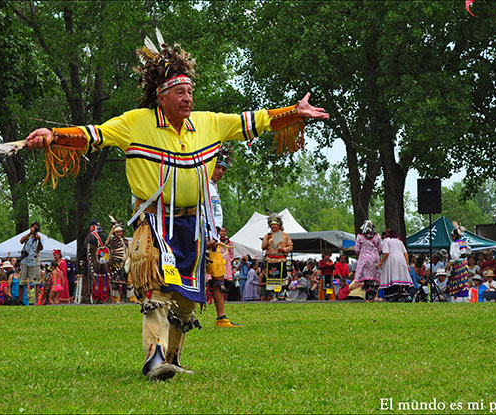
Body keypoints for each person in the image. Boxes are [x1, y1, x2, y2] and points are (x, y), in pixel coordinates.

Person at [23, 36, 328, 380]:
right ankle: (153, 359)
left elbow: (255, 120)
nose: (188, 98)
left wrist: (294, 112)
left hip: (193, 223)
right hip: (154, 222)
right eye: (180, 92)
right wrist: (53, 135)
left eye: (190, 92)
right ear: (162, 96)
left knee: (186, 298)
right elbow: (94, 134)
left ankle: (173, 359)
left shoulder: (208, 123)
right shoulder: (136, 123)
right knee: (157, 289)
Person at [206, 147, 239, 327]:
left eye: (223, 169)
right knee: (195, 278)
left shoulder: (213, 187)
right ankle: (185, 315)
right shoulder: (202, 185)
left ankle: (222, 318)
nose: (220, 171)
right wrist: (206, 236)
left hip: (213, 238)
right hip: (203, 238)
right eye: (217, 167)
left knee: (218, 277)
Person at [261, 212, 294, 301]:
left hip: (280, 259)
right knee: (273, 278)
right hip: (270, 259)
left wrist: (284, 249)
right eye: (272, 225)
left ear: (279, 225)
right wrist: (266, 239)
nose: (273, 226)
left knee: (282, 277)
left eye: (275, 224)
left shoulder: (284, 235)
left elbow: (290, 247)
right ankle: (275, 294)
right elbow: (263, 247)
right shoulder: (268, 235)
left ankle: (283, 294)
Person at [350, 220, 382, 301]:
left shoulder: (360, 236)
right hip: (374, 258)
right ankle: (372, 295)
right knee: (373, 277)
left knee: (366, 278)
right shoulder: (377, 236)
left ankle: (368, 295)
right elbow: (380, 248)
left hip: (364, 258)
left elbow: (356, 249)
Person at [378, 229, 413, 301]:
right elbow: (405, 253)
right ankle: (403, 292)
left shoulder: (386, 241)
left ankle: (393, 292)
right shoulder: (399, 241)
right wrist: (407, 264)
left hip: (392, 260)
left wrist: (380, 263)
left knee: (393, 276)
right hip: (401, 259)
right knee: (400, 276)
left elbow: (386, 253)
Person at [81, 219, 107, 304]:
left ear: (93, 227)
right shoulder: (105, 236)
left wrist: (82, 259)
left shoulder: (90, 236)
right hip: (103, 261)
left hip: (92, 262)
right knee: (102, 278)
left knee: (90, 278)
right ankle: (101, 298)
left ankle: (89, 298)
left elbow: (85, 249)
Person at [19, 222, 43, 304]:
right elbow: (21, 241)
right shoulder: (27, 236)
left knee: (36, 283)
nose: (34, 229)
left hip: (34, 262)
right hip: (24, 261)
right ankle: (20, 301)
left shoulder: (40, 238)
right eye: (33, 227)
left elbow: (41, 248)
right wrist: (30, 233)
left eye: (36, 228)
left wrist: (38, 239)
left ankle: (36, 302)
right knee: (21, 281)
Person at [446, 226, 471, 302]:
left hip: (458, 264)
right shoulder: (464, 242)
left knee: (456, 280)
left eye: (452, 236)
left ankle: (456, 297)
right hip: (464, 262)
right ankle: (464, 297)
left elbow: (455, 257)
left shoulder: (454, 244)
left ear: (454, 236)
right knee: (464, 280)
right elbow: (469, 251)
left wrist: (450, 263)